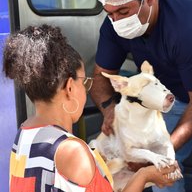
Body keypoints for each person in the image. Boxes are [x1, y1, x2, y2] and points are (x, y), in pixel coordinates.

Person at [90, 0, 192, 192]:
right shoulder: (114, 25)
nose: (116, 21)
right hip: (171, 93)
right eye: (110, 14)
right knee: (161, 176)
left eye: (123, 12)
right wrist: (111, 110)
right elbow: (99, 76)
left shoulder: (189, 26)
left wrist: (160, 153)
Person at [4, 24, 179, 192]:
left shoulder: (25, 132)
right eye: (85, 82)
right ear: (70, 87)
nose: (86, 90)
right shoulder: (73, 151)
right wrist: (144, 175)